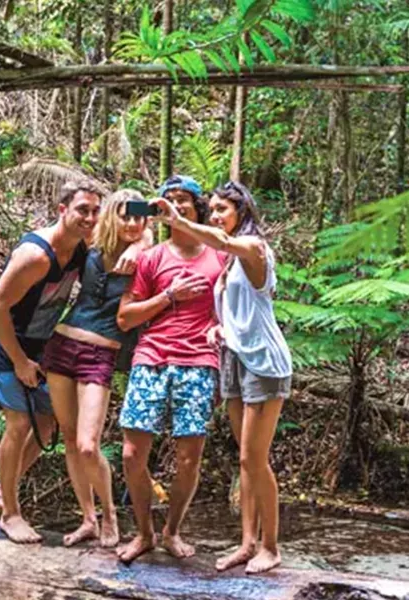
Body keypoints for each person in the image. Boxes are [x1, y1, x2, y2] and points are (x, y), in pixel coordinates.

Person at [151, 180, 292, 574]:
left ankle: (271, 546)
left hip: (264, 363)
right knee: (244, 461)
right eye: (211, 210)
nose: (215, 216)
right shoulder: (230, 260)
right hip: (234, 358)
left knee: (254, 458)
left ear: (241, 210)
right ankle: (246, 543)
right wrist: (221, 330)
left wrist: (178, 219)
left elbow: (219, 242)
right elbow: (238, 310)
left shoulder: (251, 247)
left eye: (222, 210)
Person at [0, 178, 107, 544]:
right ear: (62, 209)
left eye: (95, 211)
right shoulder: (36, 256)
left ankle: (4, 490)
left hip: (38, 343)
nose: (90, 217)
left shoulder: (81, 249)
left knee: (47, 425)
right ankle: (10, 513)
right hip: (4, 342)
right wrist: (18, 361)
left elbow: (123, 243)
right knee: (19, 424)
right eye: (83, 209)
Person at [115, 175, 227, 563]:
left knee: (188, 458)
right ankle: (144, 533)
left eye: (184, 201)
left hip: (199, 360)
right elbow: (125, 318)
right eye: (169, 202)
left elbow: (240, 303)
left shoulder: (220, 255)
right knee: (132, 454)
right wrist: (168, 296)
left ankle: (172, 531)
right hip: (152, 356)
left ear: (198, 208)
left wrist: (220, 326)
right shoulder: (151, 258)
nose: (177, 207)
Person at [42, 189, 152, 548]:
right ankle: (87, 518)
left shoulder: (148, 256)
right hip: (61, 346)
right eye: (125, 216)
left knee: (89, 444)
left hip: (100, 355)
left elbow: (158, 226)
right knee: (70, 440)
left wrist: (140, 243)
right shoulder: (90, 244)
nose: (133, 224)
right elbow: (64, 229)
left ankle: (109, 515)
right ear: (110, 216)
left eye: (139, 218)